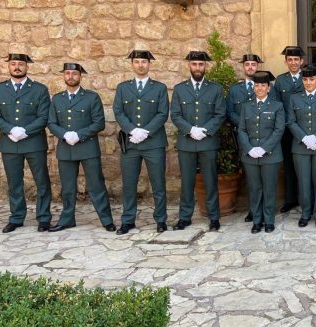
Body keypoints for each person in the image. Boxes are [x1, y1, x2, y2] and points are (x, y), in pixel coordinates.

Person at [47, 63, 115, 232]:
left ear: (80, 76)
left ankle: (106, 220)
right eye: (68, 73)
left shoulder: (91, 97)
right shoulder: (57, 99)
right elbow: (51, 122)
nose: (71, 76)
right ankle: (67, 219)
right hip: (65, 148)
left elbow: (99, 123)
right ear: (64, 76)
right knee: (68, 187)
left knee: (96, 185)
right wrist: (64, 134)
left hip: (87, 148)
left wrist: (79, 135)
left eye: (74, 73)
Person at [113, 50, 170, 235]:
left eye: (143, 62)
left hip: (153, 143)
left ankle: (161, 219)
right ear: (132, 65)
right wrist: (132, 130)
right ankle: (128, 220)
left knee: (158, 184)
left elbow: (162, 113)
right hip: (130, 143)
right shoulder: (123, 88)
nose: (140, 65)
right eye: (136, 62)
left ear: (149, 64)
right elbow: (118, 111)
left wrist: (145, 132)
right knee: (129, 184)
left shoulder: (159, 88)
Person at [170, 51, 226, 232]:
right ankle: (185, 217)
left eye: (201, 65)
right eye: (194, 64)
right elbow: (176, 115)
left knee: (210, 181)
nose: (197, 68)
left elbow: (220, 114)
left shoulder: (215, 89)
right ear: (189, 66)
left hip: (207, 142)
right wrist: (190, 130)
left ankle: (214, 217)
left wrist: (205, 131)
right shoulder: (179, 89)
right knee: (186, 182)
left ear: (205, 66)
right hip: (187, 142)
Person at [0, 53, 52, 233]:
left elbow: (44, 116)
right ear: (9, 66)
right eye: (13, 64)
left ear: (27, 67)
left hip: (34, 143)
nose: (17, 67)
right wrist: (11, 130)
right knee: (14, 182)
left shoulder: (39, 89)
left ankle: (44, 218)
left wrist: (25, 131)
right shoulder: (0, 89)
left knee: (41, 181)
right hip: (9, 142)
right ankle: (16, 217)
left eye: (21, 64)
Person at [286, 64, 316, 228]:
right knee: (304, 181)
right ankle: (306, 212)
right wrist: (304, 138)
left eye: (311, 79)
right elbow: (291, 121)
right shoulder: (294, 98)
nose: (308, 82)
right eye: (305, 79)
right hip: (300, 147)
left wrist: (315, 137)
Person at [237, 71, 285, 233]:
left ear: (268, 88)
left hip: (270, 155)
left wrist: (263, 148)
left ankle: (269, 220)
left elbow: (279, 130)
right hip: (250, 155)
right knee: (254, 189)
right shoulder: (246, 106)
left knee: (269, 188)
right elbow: (241, 130)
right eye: (257, 85)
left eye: (263, 85)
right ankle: (257, 220)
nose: (260, 88)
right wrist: (249, 149)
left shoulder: (277, 106)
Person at [226, 53, 270, 224]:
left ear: (257, 66)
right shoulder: (235, 89)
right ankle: (253, 211)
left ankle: (265, 210)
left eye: (253, 64)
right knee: (250, 177)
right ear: (243, 67)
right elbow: (230, 112)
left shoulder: (267, 87)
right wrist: (245, 123)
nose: (250, 67)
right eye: (247, 64)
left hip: (264, 139)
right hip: (244, 137)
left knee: (265, 176)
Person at [273, 46, 305, 213]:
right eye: (290, 60)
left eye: (296, 60)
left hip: (305, 130)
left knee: (305, 166)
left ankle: (305, 198)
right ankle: (290, 199)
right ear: (286, 62)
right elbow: (277, 106)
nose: (293, 63)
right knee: (289, 166)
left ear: (302, 61)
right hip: (286, 130)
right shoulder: (280, 80)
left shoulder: (308, 77)